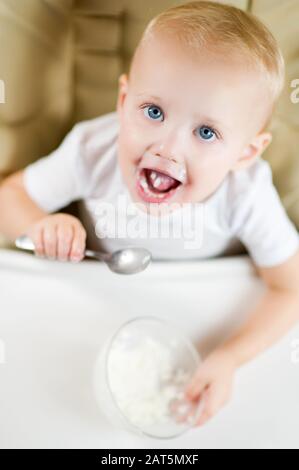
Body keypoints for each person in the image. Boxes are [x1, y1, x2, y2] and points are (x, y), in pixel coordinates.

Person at [0, 1, 298, 427]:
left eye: (207, 132)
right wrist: (39, 224)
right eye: (153, 112)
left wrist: (231, 357)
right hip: (88, 309)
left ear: (245, 153)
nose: (168, 148)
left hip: (197, 328)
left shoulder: (246, 194)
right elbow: (7, 199)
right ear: (124, 101)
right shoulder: (93, 150)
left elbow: (290, 288)